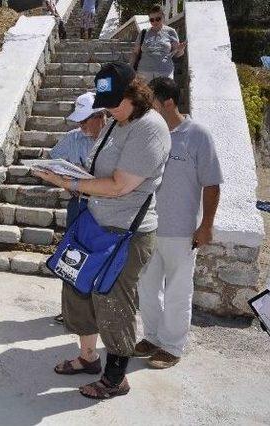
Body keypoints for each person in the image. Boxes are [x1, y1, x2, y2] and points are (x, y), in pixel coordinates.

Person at [33, 62, 171, 399]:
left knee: (112, 299)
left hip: (126, 233)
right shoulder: (114, 124)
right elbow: (96, 172)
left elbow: (121, 185)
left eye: (114, 101)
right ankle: (88, 357)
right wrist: (65, 174)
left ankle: (115, 378)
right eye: (104, 102)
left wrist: (68, 181)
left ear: (133, 92)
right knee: (77, 287)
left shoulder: (150, 128)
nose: (107, 109)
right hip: (94, 224)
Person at [135, 77, 223, 369]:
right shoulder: (149, 132)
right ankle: (152, 336)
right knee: (147, 287)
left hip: (182, 231)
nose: (147, 109)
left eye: (152, 103)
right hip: (148, 226)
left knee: (177, 290)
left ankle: (172, 346)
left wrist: (206, 225)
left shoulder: (197, 134)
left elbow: (211, 184)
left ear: (169, 103)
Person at [49, 92, 106, 228]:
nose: (81, 125)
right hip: (79, 203)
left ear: (100, 116)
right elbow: (50, 162)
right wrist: (64, 180)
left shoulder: (117, 139)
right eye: (79, 121)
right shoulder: (72, 138)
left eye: (84, 120)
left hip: (107, 205)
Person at [130, 5, 187, 82]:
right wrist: (130, 70)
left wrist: (180, 49)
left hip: (164, 72)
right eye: (152, 20)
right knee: (144, 94)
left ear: (163, 17)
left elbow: (177, 54)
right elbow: (135, 53)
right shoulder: (143, 33)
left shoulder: (171, 32)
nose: (155, 22)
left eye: (158, 19)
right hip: (143, 73)